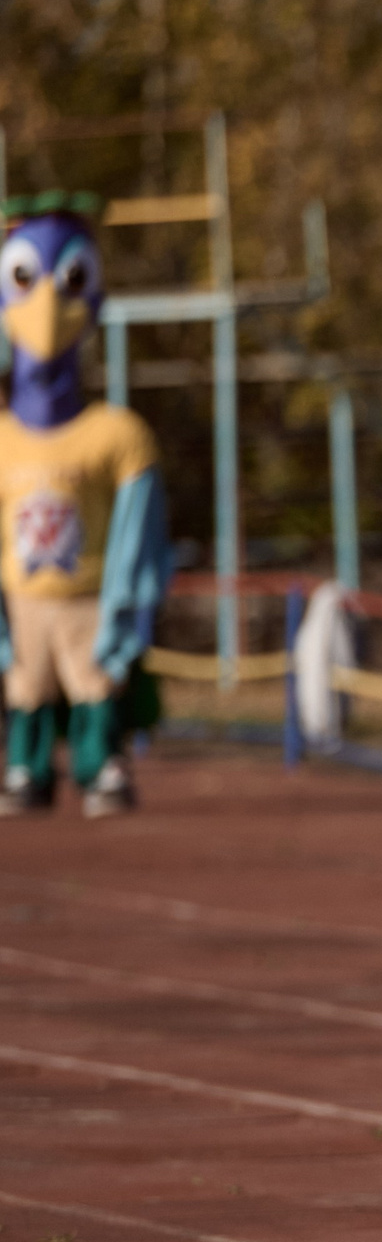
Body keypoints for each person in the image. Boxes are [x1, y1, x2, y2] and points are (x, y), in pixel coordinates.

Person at [0, 192, 173, 818]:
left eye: (69, 281)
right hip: (23, 596)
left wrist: (134, 600)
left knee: (95, 683)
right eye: (25, 279)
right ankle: (29, 765)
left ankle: (102, 763)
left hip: (89, 593)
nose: (46, 304)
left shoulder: (118, 435)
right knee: (27, 685)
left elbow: (141, 531)